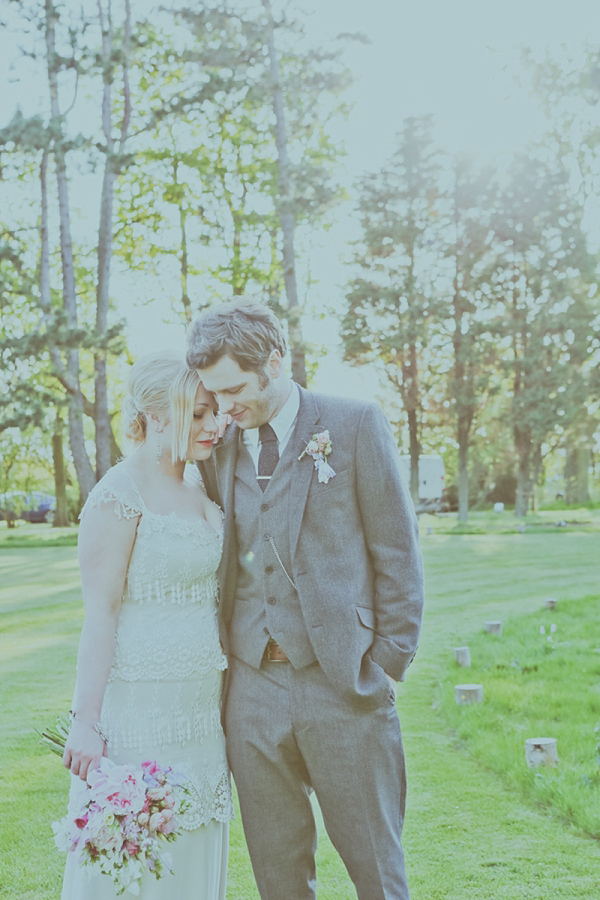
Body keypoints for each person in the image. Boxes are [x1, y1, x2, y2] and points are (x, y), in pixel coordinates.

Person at [186, 298, 425, 900]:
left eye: (235, 389)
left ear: (275, 359)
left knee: (377, 871)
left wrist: (386, 659)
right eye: (214, 397)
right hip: (251, 688)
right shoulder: (221, 445)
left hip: (343, 681)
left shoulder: (353, 424)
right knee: (278, 875)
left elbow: (397, 551)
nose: (225, 407)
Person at [60, 349, 233, 900]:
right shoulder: (118, 494)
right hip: (139, 716)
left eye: (216, 412)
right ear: (157, 415)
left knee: (189, 859)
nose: (216, 424)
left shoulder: (201, 485)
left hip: (201, 719)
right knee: (134, 872)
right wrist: (85, 722)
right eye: (200, 413)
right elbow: (100, 614)